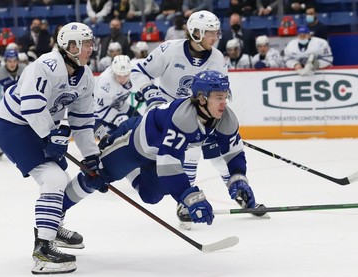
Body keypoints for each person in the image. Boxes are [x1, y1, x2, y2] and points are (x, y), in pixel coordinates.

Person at [63, 70, 264, 231]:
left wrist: (238, 177)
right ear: (202, 98)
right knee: (95, 176)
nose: (224, 102)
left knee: (151, 196)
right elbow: (170, 164)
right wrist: (190, 197)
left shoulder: (226, 118)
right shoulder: (183, 117)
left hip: (159, 156)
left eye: (225, 96)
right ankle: (56, 213)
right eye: (218, 97)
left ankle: (131, 171)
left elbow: (233, 152)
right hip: (132, 143)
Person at [130, 10, 268, 229]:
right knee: (189, 152)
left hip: (201, 114)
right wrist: (151, 93)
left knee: (217, 152)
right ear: (195, 33)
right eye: (210, 33)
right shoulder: (169, 50)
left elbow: (220, 90)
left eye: (216, 33)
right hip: (169, 115)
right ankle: (186, 200)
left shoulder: (216, 58)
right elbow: (138, 71)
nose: (215, 38)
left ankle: (239, 189)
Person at [0, 22, 101, 274]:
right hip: (15, 126)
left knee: (62, 178)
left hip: (41, 129)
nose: (91, 48)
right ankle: (43, 250)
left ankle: (51, 228)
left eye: (90, 43)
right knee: (53, 178)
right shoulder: (45, 66)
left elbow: (83, 122)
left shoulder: (85, 76)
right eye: (86, 43)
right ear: (70, 46)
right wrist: (50, 136)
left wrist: (92, 157)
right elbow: (31, 106)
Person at [0, 48, 26, 159]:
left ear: (18, 61)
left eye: (14, 60)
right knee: (6, 126)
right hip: (9, 104)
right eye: (9, 61)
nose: (12, 63)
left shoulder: (26, 71)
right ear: (5, 61)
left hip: (26, 102)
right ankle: (2, 147)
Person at [94, 54, 140, 134]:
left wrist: (143, 91)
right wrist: (118, 118)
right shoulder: (105, 82)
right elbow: (100, 109)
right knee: (115, 139)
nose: (122, 79)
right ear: (113, 71)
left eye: (125, 75)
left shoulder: (133, 69)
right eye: (119, 75)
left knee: (141, 121)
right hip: (98, 114)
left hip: (119, 105)